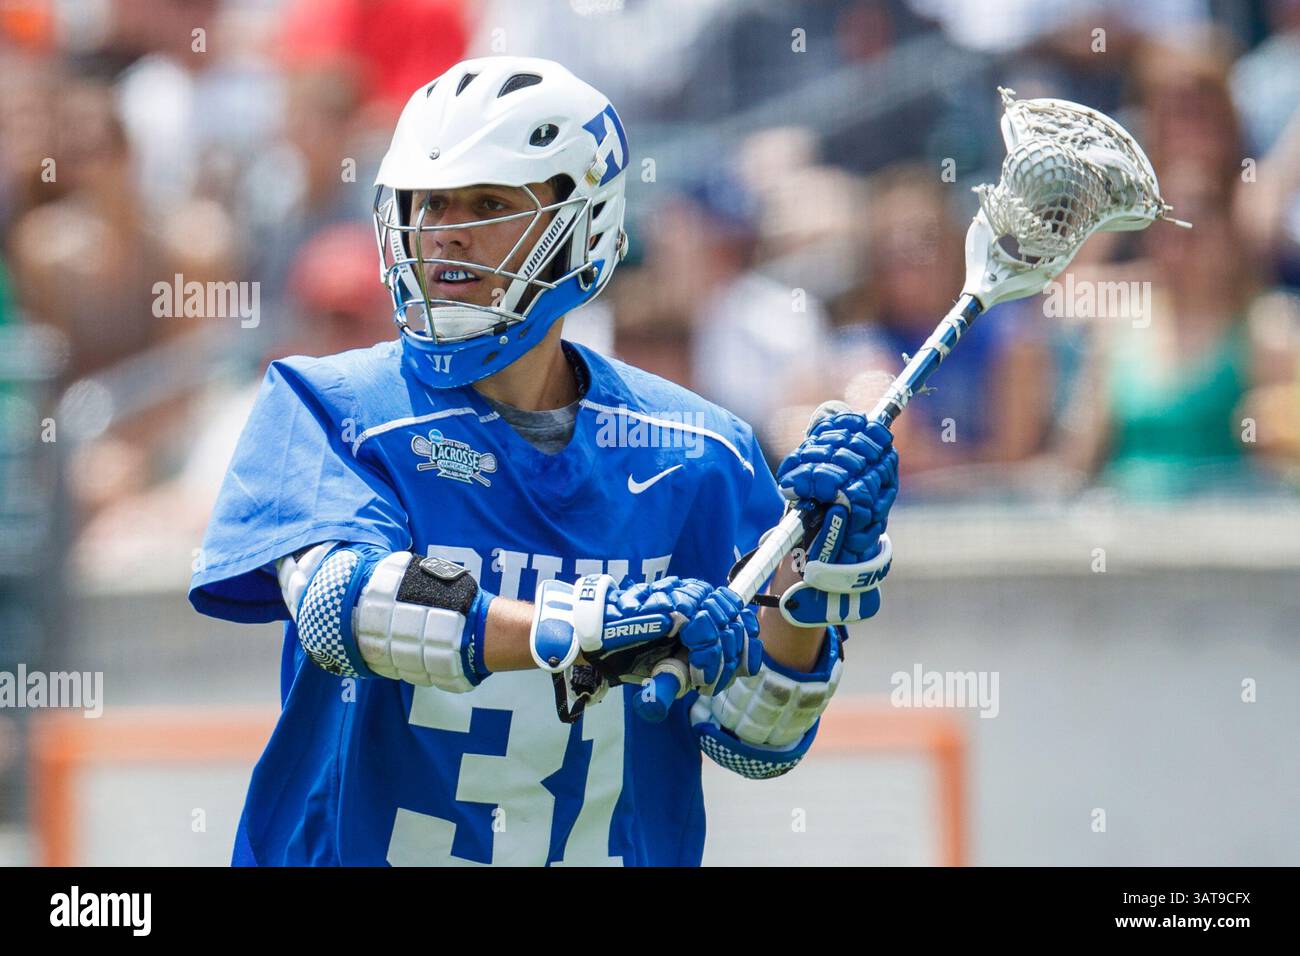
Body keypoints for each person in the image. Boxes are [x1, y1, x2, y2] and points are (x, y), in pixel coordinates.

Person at [188, 56, 899, 866]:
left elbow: (759, 739)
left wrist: (811, 579)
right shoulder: (333, 405)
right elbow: (339, 606)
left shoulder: (697, 450)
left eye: (488, 202)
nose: (445, 230)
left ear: (585, 226)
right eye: (429, 203)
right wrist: (581, 626)